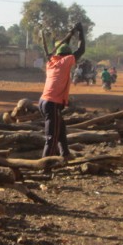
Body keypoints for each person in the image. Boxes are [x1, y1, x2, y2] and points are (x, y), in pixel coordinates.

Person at [39, 22, 86, 159]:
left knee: (61, 130)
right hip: (52, 103)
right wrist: (81, 31)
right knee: (51, 138)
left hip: (44, 102)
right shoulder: (66, 62)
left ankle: (65, 154)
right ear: (68, 56)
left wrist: (72, 33)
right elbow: (81, 49)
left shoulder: (51, 62)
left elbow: (65, 48)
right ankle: (46, 165)